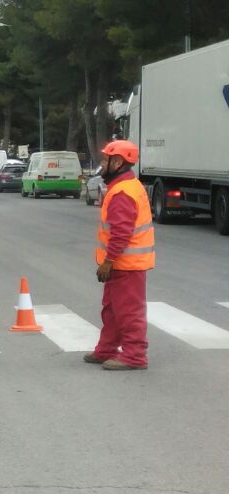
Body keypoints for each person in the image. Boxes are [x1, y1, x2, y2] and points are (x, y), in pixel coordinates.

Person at [85, 139, 154, 371]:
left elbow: (121, 233)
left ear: (118, 162)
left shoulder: (123, 193)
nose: (102, 164)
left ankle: (135, 356)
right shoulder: (124, 187)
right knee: (112, 310)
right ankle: (106, 350)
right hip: (122, 266)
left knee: (128, 312)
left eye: (105, 160)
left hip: (126, 265)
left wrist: (108, 261)